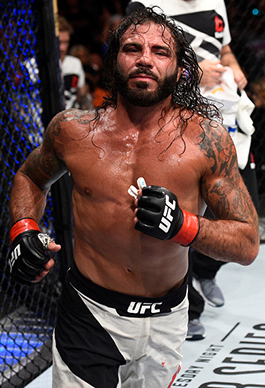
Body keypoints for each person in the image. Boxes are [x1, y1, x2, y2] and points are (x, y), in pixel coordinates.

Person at [8, 8, 259, 388]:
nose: (145, 58)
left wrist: (183, 226)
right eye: (132, 47)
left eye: (160, 51)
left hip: (167, 318)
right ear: (114, 59)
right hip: (88, 315)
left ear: (178, 69)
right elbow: (29, 176)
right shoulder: (73, 131)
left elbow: (246, 242)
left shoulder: (205, 141)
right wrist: (24, 229)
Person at [126, 0, 260, 340]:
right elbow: (136, 69)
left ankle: (204, 269)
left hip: (224, 118)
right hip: (173, 123)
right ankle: (189, 309)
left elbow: (224, 47)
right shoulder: (145, 3)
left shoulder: (215, 0)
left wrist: (234, 67)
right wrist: (194, 71)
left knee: (245, 219)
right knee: (174, 217)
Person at [58, 16, 88, 109]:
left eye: (66, 42)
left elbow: (82, 93)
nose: (62, 48)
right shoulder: (33, 66)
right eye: (59, 42)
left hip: (70, 118)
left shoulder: (75, 64)